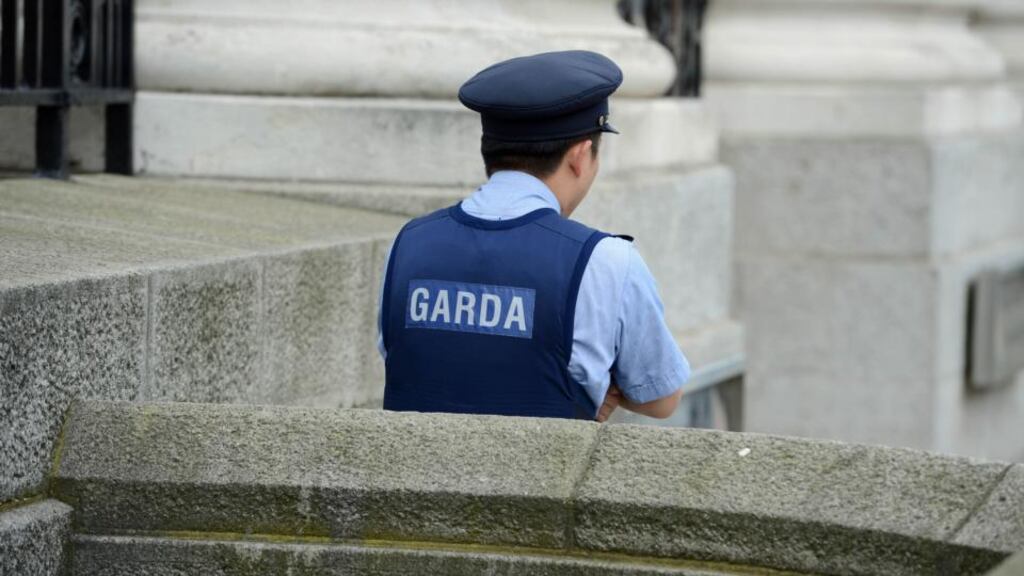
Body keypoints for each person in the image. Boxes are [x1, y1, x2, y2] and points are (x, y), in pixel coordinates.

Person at [377, 50, 689, 422]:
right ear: (580, 156)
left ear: (488, 148)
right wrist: (594, 386)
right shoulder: (606, 261)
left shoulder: (408, 244)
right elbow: (661, 398)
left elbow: (409, 361)